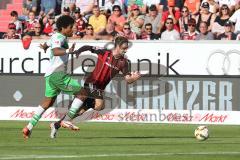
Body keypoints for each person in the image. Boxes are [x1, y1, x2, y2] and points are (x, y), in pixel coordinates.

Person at [50, 36, 141, 138]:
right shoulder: (104, 52)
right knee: (99, 105)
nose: (125, 50)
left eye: (126, 48)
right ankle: (67, 119)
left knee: (83, 110)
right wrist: (78, 51)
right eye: (123, 48)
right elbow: (88, 47)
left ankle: (57, 124)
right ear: (117, 46)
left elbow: (128, 79)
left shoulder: (124, 62)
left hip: (100, 88)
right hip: (92, 82)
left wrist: (134, 78)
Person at [22, 15, 87, 139]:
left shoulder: (56, 36)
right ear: (63, 28)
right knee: (83, 93)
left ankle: (29, 127)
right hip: (58, 75)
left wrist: (44, 47)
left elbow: (47, 45)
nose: (73, 29)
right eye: (71, 27)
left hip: (50, 76)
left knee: (47, 103)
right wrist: (69, 51)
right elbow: (56, 51)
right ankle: (66, 120)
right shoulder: (58, 37)